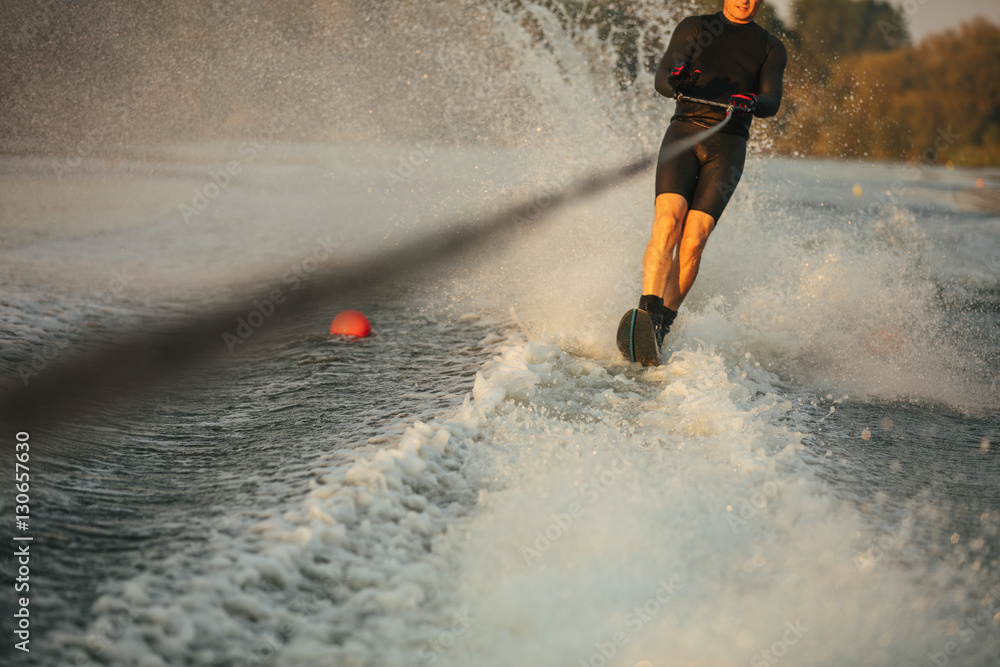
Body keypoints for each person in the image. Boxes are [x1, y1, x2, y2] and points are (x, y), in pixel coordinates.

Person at [618, 0, 787, 364]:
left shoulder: (771, 46)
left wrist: (753, 102)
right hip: (683, 134)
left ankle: (661, 326)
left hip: (728, 147)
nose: (746, 0)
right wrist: (675, 82)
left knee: (693, 241)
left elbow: (772, 99)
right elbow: (663, 77)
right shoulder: (695, 27)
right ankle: (646, 313)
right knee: (668, 220)